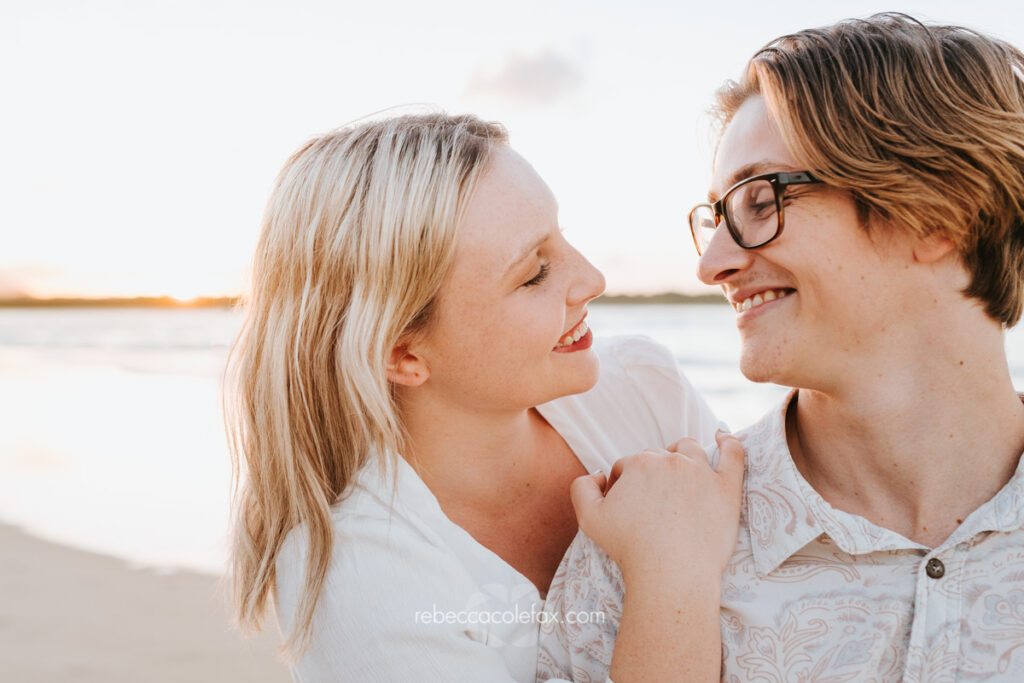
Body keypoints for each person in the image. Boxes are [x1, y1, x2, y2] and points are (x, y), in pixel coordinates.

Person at [538, 12, 1024, 682]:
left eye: (760, 202)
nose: (712, 264)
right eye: (716, 216)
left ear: (938, 214)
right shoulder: (639, 551)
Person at [222, 112, 744, 682]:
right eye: (534, 273)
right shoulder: (354, 574)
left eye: (562, 236)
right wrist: (668, 568)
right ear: (402, 353)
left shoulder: (645, 388)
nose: (593, 278)